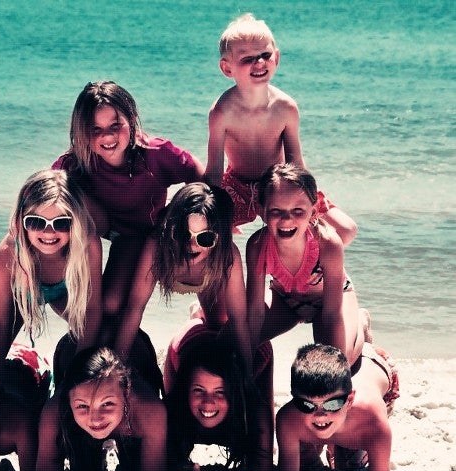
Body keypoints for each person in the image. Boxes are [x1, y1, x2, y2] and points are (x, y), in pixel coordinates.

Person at [52, 80, 206, 330]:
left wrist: (203, 220)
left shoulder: (154, 153)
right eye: (95, 129)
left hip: (147, 234)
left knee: (113, 304)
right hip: (109, 233)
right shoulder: (75, 163)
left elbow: (199, 176)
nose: (107, 136)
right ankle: (57, 297)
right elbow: (41, 197)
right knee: (63, 188)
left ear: (132, 120)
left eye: (115, 125)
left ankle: (198, 314)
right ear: (81, 131)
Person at [205, 13, 357, 244]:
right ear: (227, 68)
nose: (259, 63)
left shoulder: (285, 107)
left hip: (280, 184)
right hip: (237, 186)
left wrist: (306, 205)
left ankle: (304, 264)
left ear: (276, 57)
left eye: (265, 55)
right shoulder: (222, 111)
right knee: (209, 232)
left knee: (346, 230)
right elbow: (214, 172)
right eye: (247, 58)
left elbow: (296, 164)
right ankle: (232, 266)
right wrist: (216, 216)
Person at [114, 182, 258, 380]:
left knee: (218, 324)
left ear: (220, 239)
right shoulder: (156, 246)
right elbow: (135, 308)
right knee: (116, 308)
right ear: (170, 229)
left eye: (205, 238)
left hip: (208, 281)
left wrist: (248, 377)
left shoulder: (227, 255)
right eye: (183, 234)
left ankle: (197, 313)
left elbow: (238, 320)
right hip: (161, 260)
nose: (191, 245)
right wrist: (117, 370)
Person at [0, 168, 102, 390]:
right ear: (22, 220)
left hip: (64, 291)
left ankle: (61, 376)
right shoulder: (8, 253)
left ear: (76, 222)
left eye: (62, 223)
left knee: (100, 338)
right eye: (36, 222)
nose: (49, 233)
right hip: (21, 292)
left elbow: (92, 309)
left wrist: (80, 372)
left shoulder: (87, 244)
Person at [35, 346, 167, 471]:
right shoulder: (53, 413)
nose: (95, 419)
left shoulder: (150, 410)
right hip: (68, 349)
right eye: (82, 406)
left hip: (139, 352)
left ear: (127, 393)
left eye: (107, 403)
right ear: (68, 401)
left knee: (132, 468)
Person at [246, 163, 366, 368]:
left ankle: (361, 323)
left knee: (336, 362)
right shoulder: (257, 245)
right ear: (262, 211)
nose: (287, 219)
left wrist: (336, 363)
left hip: (329, 302)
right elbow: (255, 311)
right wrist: (245, 356)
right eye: (276, 211)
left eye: (298, 211)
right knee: (233, 340)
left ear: (314, 210)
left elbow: (332, 315)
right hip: (285, 301)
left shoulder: (328, 243)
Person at [276, 343, 399, 471]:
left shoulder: (374, 423)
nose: (320, 415)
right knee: (304, 464)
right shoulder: (288, 419)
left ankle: (363, 333)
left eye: (332, 404)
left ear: (350, 399)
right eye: (307, 405)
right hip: (338, 377)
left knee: (351, 465)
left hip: (376, 364)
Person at [165, 333, 274, 471]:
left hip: (259, 351)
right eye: (198, 390)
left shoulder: (254, 412)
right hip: (185, 342)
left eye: (220, 392)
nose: (208, 402)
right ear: (186, 391)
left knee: (262, 404)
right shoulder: (174, 407)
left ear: (234, 394)